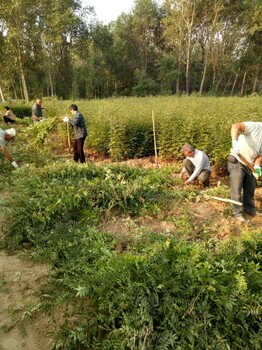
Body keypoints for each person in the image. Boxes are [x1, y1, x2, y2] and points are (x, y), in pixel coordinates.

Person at [228, 121, 262, 222]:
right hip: (238, 161)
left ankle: (249, 208)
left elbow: (260, 155)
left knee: (250, 189)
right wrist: (235, 142)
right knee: (237, 189)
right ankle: (237, 212)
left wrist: (257, 166)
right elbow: (235, 126)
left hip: (250, 164)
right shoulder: (256, 127)